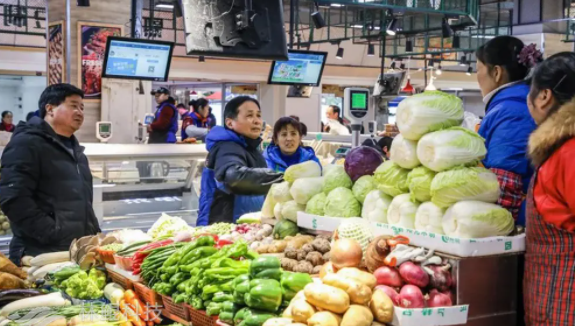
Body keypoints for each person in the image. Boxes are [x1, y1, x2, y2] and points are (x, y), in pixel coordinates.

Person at [0, 84, 100, 265]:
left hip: (73, 252)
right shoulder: (26, 143)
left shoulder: (76, 153)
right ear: (50, 108)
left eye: (82, 107)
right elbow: (14, 199)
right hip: (39, 255)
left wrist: (94, 234)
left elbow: (83, 202)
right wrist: (52, 233)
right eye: (73, 105)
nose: (80, 112)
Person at [523, 52, 575, 326]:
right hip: (550, 301)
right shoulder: (560, 149)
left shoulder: (569, 153)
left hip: (564, 306)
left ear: (544, 96)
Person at [476, 36, 539, 224]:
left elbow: (503, 190)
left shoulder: (511, 113)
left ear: (496, 72)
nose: (476, 76)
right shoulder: (518, 104)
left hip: (519, 227)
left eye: (477, 69)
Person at [197, 96, 283, 225]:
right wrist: (282, 178)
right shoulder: (226, 147)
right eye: (249, 116)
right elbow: (235, 177)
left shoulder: (249, 147)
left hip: (243, 227)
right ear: (230, 123)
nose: (257, 121)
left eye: (258, 115)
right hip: (223, 230)